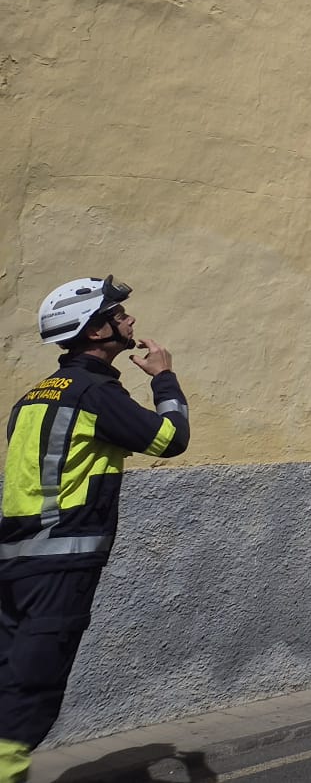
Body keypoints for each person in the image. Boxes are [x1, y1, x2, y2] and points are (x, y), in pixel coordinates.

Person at [0, 277, 189, 781]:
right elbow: (170, 439)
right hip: (59, 564)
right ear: (96, 330)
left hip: (17, 562)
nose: (130, 320)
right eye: (118, 313)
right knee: (31, 691)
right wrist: (164, 379)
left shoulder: (36, 394)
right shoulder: (95, 393)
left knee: (8, 678)